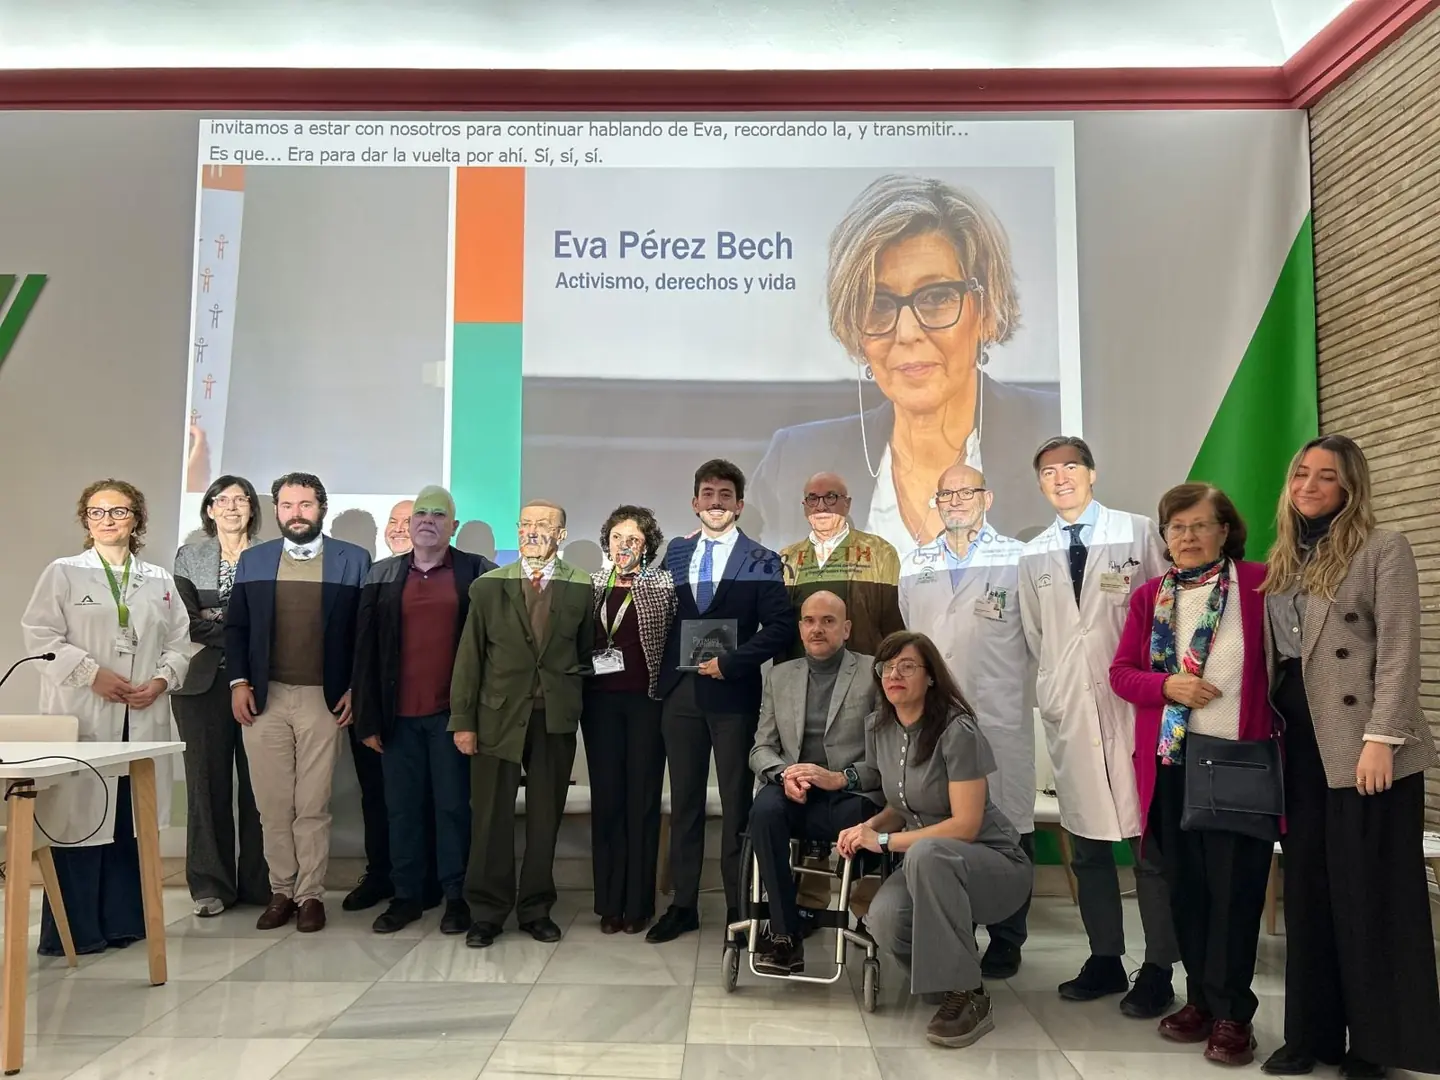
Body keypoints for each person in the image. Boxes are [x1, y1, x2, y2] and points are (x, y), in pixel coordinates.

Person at [1258, 435, 1440, 1079]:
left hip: (1367, 751)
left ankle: (1378, 1046)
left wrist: (1382, 738)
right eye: (1300, 473)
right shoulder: (1283, 559)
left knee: (1371, 896)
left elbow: (1398, 649)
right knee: (1311, 893)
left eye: (1325, 477)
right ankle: (1312, 1036)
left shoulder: (1382, 547)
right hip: (1302, 749)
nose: (1308, 485)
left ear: (1350, 487)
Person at [750, 174, 1060, 552]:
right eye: (878, 305)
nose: (907, 332)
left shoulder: (1058, 430)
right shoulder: (796, 459)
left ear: (986, 311)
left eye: (937, 296)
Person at [1111, 484, 1274, 1066]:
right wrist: (1167, 686)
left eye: (1200, 525)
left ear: (1225, 530)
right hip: (1170, 762)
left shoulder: (1260, 585)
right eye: (1176, 528)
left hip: (1236, 760)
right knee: (1185, 887)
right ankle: (1201, 1001)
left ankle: (1235, 1014)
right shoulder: (1150, 596)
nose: (1187, 537)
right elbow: (1122, 675)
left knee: (1235, 891)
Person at [1018, 436, 1178, 1016]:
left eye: (1070, 467)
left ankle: (1159, 965)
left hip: (1134, 707)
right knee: (1086, 845)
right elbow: (1039, 638)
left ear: (1092, 472)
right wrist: (1061, 687)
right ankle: (1105, 958)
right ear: (1039, 483)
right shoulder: (1032, 553)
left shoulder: (1136, 532)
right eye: (1048, 471)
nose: (1059, 478)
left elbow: (1168, 608)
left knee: (1148, 846)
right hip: (1073, 710)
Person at [21, 480, 191, 955]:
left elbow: (181, 642)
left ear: (136, 518)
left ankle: (124, 924)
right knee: (79, 819)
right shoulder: (64, 573)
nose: (108, 520)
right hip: (85, 715)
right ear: (85, 520)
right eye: (98, 512)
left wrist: (160, 681)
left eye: (119, 511)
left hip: (140, 715)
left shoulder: (158, 579)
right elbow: (40, 637)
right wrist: (91, 674)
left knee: (128, 822)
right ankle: (75, 934)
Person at [840, 631, 1032, 1049]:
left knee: (926, 853)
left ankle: (969, 995)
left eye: (907, 666)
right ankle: (946, 984)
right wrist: (866, 829)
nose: (894, 674)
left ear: (930, 677)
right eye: (887, 667)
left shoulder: (956, 729)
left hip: (993, 865)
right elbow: (903, 801)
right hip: (931, 865)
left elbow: (965, 825)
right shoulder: (879, 727)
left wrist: (885, 841)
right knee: (885, 917)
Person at [648, 459, 797, 944]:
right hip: (681, 695)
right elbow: (663, 616)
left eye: (725, 495)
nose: (716, 502)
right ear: (695, 502)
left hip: (734, 695)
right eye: (707, 494)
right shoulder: (674, 553)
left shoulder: (762, 558)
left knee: (736, 806)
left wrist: (732, 662)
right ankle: (684, 905)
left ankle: (738, 908)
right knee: (685, 803)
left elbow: (779, 628)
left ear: (739, 505)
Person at [899, 463, 1035, 978]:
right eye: (946, 493)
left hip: (998, 712)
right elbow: (914, 642)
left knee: (1010, 821)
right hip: (936, 719)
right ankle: (955, 928)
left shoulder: (1018, 560)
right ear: (935, 501)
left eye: (967, 491)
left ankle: (1007, 938)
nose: (956, 499)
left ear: (989, 496)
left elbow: (1037, 640)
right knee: (944, 819)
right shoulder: (917, 563)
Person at [226, 472, 371, 933]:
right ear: (276, 511)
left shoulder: (354, 559)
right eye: (287, 505)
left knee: (312, 804)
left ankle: (310, 895)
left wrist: (354, 686)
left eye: (306, 504)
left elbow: (362, 635)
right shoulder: (254, 560)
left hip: (322, 700)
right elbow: (237, 628)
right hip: (264, 697)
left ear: (321, 508)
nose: (296, 513)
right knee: (271, 805)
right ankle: (281, 892)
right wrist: (238, 682)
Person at [449, 499, 594, 948]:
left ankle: (535, 909)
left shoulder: (583, 587)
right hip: (495, 719)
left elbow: (586, 654)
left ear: (562, 534)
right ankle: (487, 913)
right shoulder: (488, 586)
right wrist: (463, 721)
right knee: (490, 819)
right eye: (526, 524)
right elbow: (470, 657)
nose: (533, 532)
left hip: (554, 720)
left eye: (544, 525)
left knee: (544, 818)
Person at [353, 486, 495, 936]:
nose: (428, 521)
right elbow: (366, 653)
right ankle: (408, 896)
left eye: (439, 514)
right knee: (401, 810)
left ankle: (456, 897)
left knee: (453, 808)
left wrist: (475, 716)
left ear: (453, 525)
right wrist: (369, 718)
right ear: (409, 524)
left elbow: (493, 647)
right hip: (397, 720)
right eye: (420, 514)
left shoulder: (478, 573)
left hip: (452, 717)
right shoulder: (381, 574)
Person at [747, 590, 882, 975]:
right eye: (809, 621)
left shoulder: (873, 674)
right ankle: (785, 934)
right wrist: (783, 774)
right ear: (800, 627)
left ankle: (863, 909)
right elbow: (761, 748)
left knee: (870, 817)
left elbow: (884, 760)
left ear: (846, 629)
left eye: (828, 621)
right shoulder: (780, 675)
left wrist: (839, 777)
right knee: (764, 810)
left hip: (848, 796)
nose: (817, 629)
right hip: (793, 793)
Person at [172, 474, 270, 917]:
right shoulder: (190, 556)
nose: (232, 507)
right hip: (202, 685)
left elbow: (281, 623)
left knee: (261, 788)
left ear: (253, 508)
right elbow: (186, 622)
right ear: (209, 509)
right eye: (222, 500)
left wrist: (229, 625)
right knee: (205, 783)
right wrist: (242, 632)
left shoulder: (272, 556)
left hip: (261, 683)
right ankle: (210, 885)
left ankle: (261, 882)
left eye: (241, 500)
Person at [582, 505, 677, 935]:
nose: (625, 545)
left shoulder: (663, 584)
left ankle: (639, 903)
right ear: (607, 542)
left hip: (647, 704)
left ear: (648, 546)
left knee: (641, 802)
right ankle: (609, 903)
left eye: (634, 539)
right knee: (607, 803)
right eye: (618, 537)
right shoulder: (591, 584)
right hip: (599, 705)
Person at [777, 472, 904, 658]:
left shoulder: (880, 552)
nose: (821, 506)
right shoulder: (787, 558)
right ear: (804, 507)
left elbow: (893, 624)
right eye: (813, 498)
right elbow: (779, 626)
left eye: (830, 497)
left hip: (863, 672)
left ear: (847, 504)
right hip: (800, 671)